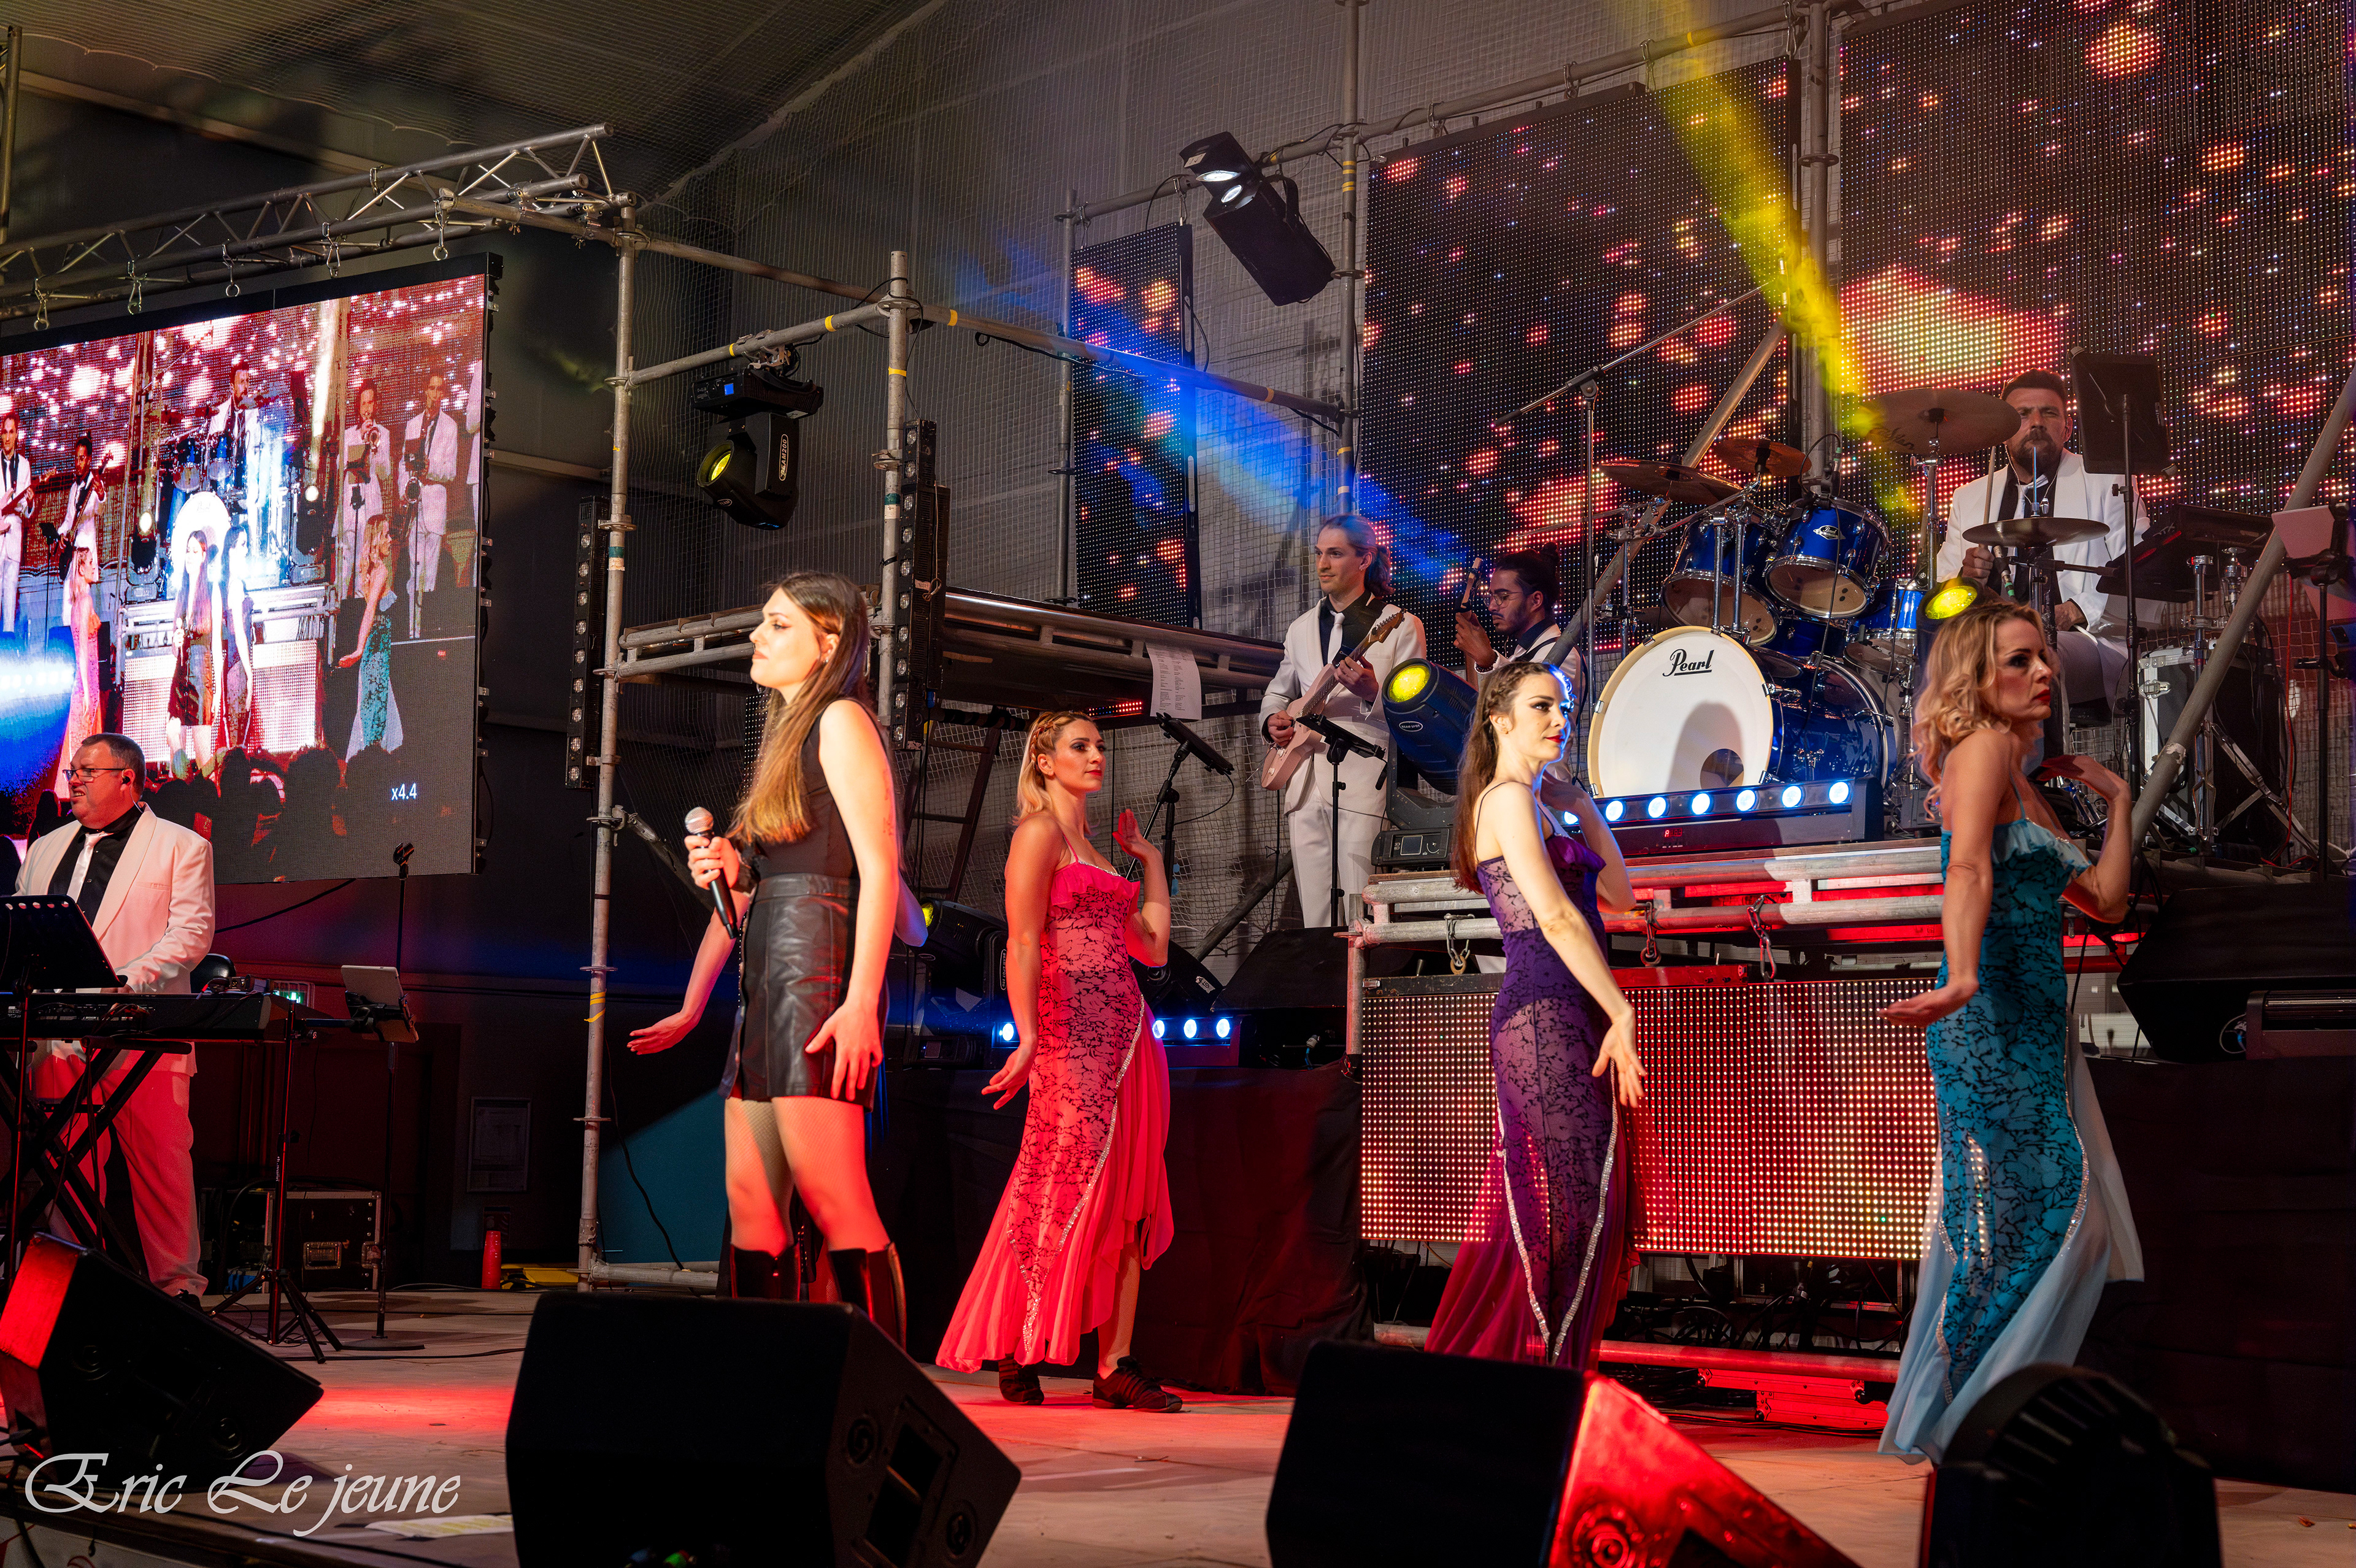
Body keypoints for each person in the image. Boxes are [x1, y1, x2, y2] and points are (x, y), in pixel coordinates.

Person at [1876, 599, 2143, 1461]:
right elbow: (1966, 869)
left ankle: (1981, 1425)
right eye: (2020, 660)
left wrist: (2120, 801)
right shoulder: (1984, 747)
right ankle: (1972, 1425)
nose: (2044, 673)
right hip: (1988, 1020)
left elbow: (2105, 903)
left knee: (2039, 1225)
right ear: (1975, 677)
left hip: (2030, 1029)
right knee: (2047, 1222)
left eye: (2044, 658)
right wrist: (1959, 976)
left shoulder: (2023, 783)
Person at [628, 572, 923, 1335]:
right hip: (769, 976)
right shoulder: (787, 738)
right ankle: (759, 1382)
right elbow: (754, 902)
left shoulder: (842, 721)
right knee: (753, 1201)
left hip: (816, 973)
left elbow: (879, 872)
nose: (757, 636)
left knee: (835, 1197)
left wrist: (860, 1005)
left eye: (779, 624)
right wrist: (697, 993)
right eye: (762, 622)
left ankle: (881, 1387)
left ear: (830, 642)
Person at [937, 712, 1180, 1410]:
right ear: (1045, 761)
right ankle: (1019, 1342)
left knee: (1129, 1200)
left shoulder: (1098, 853)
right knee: (1058, 1184)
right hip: (1070, 1039)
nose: (1097, 755)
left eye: (1099, 746)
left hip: (1130, 1039)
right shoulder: (1039, 832)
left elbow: (1153, 949)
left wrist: (1150, 862)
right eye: (1081, 746)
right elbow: (1021, 941)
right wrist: (1027, 1037)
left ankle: (1116, 1364)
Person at [1425, 663, 1643, 1366]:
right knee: (1564, 1209)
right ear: (1500, 720)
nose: (1560, 719)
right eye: (1543, 706)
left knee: (1589, 1201)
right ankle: (1534, 1377)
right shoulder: (1505, 799)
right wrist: (1621, 1010)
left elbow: (1619, 895)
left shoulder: (1542, 804)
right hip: (1544, 1017)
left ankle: (1553, 1375)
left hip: (1572, 1010)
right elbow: (1553, 916)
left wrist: (1582, 805)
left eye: (1565, 707)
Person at [15, 734, 216, 1301]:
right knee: (66, 1168)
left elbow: (191, 936)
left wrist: (123, 980)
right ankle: (74, 1288)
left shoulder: (181, 847)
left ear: (127, 779)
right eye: (73, 771)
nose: (74, 780)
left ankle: (179, 1293)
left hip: (142, 1033)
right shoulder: (45, 848)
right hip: (58, 1035)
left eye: (87, 771)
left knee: (161, 1169)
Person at [1932, 371, 2152, 720]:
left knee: (2021, 658)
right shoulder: (1970, 497)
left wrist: (2076, 610)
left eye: (2049, 413)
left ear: (2067, 428)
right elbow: (1942, 589)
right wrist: (1967, 579)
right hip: (1989, 640)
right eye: (2022, 414)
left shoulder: (2106, 479)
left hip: (2085, 638)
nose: (2036, 422)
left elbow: (2141, 566)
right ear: (2002, 431)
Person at [1258, 515, 1427, 928]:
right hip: (1302, 779)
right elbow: (1278, 692)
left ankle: (1365, 973)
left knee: (1362, 910)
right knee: (1315, 917)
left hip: (1364, 781)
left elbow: (1417, 710)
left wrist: (1372, 693)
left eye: (1335, 553)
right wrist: (1272, 721)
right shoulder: (1300, 628)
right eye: (1319, 553)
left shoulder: (1400, 624)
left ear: (1365, 559)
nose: (1322, 564)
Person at [401, 367, 471, 636]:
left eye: (440, 388)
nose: (435, 393)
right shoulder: (412, 425)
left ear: (443, 393)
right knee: (413, 570)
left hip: (434, 503)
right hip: (414, 503)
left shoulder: (450, 426)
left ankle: (425, 631)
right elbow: (403, 464)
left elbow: (451, 472)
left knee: (430, 572)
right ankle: (412, 629)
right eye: (432, 388)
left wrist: (429, 469)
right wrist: (404, 491)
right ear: (425, 391)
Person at [336, 509, 402, 758]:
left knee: (375, 700)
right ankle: (373, 757)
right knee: (375, 703)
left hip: (379, 645)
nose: (390, 540)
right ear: (376, 538)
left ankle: (374, 755)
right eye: (386, 535)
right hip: (377, 647)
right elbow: (370, 611)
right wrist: (359, 650)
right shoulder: (380, 571)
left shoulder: (369, 569)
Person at [53, 464, 102, 797]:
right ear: (81, 568)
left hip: (87, 681)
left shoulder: (82, 601)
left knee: (84, 743)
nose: (95, 566)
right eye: (91, 563)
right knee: (82, 743)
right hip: (85, 682)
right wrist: (86, 690)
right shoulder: (83, 602)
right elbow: (83, 652)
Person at [1453, 545, 1564, 678]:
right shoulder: (1522, 652)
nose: (1491, 607)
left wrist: (1489, 661)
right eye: (1491, 597)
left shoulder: (1563, 656)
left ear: (1536, 600)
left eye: (1503, 597)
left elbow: (1529, 690)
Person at [337, 381, 394, 608]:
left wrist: (375, 449)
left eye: (370, 403)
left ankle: (364, 612)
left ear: (376, 405)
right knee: (347, 563)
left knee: (368, 562)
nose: (367, 408)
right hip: (351, 506)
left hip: (370, 506)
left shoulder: (383, 434)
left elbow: (385, 472)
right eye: (363, 403)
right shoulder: (348, 435)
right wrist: (360, 439)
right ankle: (342, 611)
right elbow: (341, 467)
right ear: (358, 407)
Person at [0, 409, 33, 636]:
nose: (8, 437)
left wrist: (29, 503)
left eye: (12, 432)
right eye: (5, 432)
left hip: (14, 536)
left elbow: (26, 512)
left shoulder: (25, 466)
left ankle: (9, 641)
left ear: (17, 435)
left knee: (11, 592)